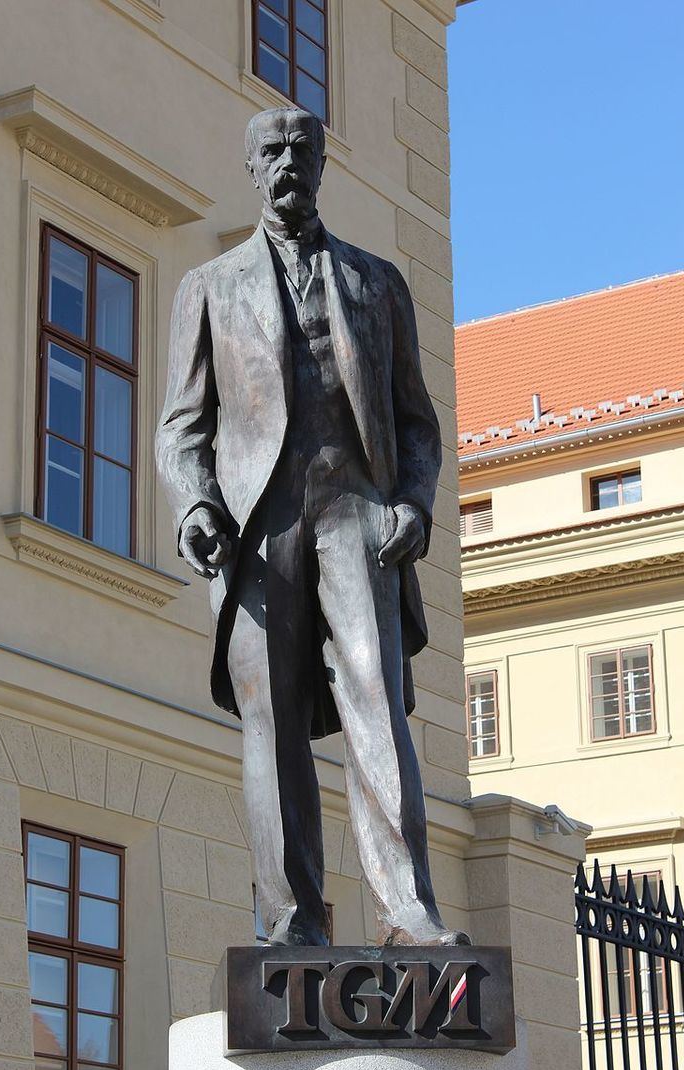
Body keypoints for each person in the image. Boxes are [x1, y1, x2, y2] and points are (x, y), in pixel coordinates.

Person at [156, 106, 469, 949]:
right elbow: (182, 428)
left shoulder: (378, 283)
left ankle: (409, 913)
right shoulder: (209, 288)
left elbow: (417, 424)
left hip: (356, 512)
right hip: (260, 525)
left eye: (302, 148)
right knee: (273, 721)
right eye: (271, 150)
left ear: (323, 165)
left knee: (377, 704)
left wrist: (414, 499)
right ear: (252, 168)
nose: (287, 162)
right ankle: (293, 919)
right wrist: (195, 504)